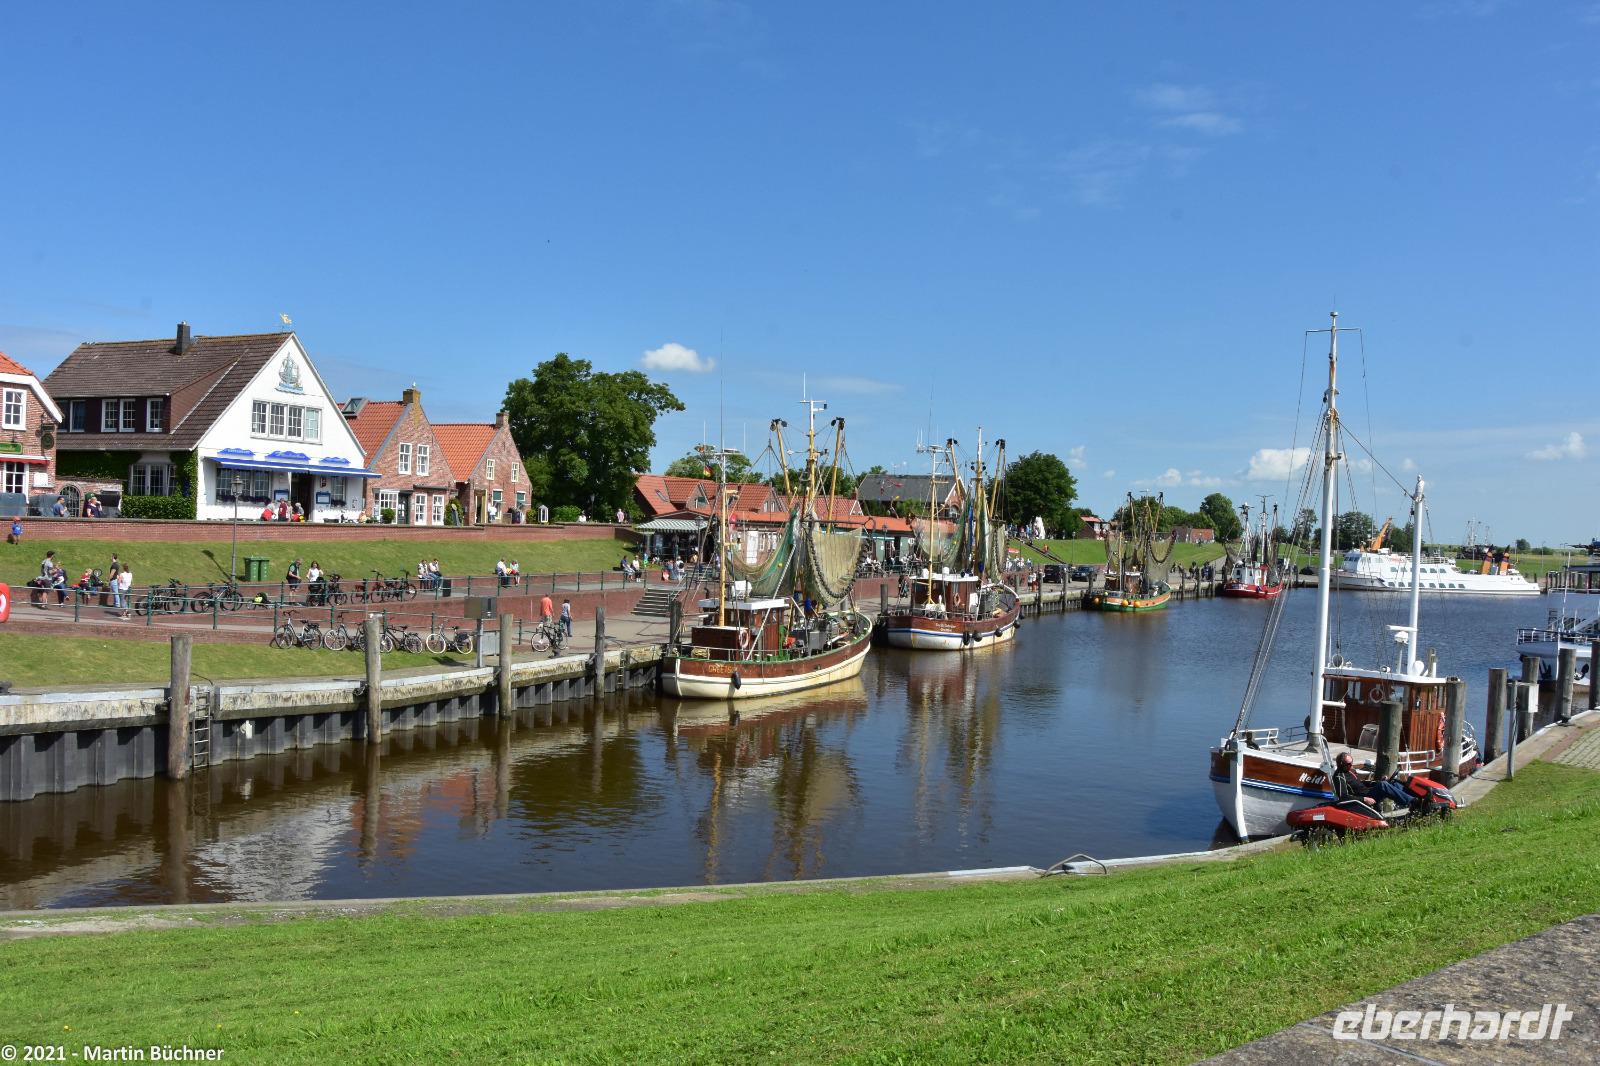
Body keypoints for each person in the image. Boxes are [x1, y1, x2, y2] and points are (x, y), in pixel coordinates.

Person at [1331, 752, 1412, 811]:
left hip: (1368, 792)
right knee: (1383, 785)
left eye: (1352, 762)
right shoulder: (1339, 776)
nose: (1351, 765)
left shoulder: (1350, 771)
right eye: (1349, 764)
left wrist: (1377, 782)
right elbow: (1343, 796)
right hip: (1363, 798)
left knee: (1392, 783)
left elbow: (1361, 783)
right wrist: (1364, 799)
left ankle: (1412, 797)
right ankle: (1412, 802)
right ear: (1341, 764)